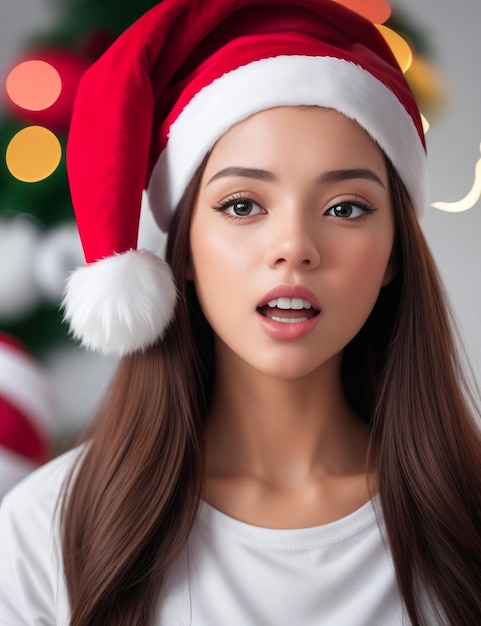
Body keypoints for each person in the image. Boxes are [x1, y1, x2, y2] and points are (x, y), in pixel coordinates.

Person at [1, 0, 481, 624]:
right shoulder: (49, 527)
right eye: (242, 205)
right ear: (186, 249)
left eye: (345, 208)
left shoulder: (466, 517)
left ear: (393, 254)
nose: (294, 249)